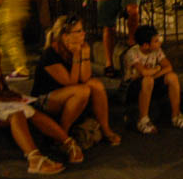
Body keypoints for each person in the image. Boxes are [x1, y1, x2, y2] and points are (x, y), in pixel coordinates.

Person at [0, 28, 76, 174]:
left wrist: (6, 95)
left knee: (29, 111)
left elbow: (0, 84)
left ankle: (68, 143)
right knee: (17, 113)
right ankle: (35, 159)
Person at [31, 15, 121, 146]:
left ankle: (106, 129)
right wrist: (78, 56)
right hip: (46, 99)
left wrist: (84, 54)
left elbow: (85, 77)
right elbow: (71, 82)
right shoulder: (50, 54)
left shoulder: (79, 47)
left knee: (95, 84)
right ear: (65, 36)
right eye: (78, 31)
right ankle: (62, 135)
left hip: (70, 94)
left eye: (82, 30)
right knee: (82, 90)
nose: (83, 33)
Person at [123, 25, 183, 134]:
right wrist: (158, 68)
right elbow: (144, 72)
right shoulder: (132, 53)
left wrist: (155, 72)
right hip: (133, 87)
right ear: (145, 45)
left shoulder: (156, 50)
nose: (159, 43)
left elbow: (168, 67)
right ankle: (143, 120)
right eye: (155, 41)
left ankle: (176, 115)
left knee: (172, 77)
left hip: (151, 80)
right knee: (147, 80)